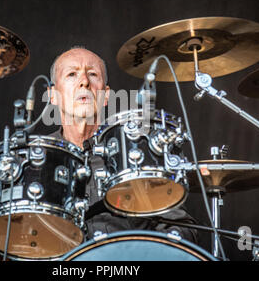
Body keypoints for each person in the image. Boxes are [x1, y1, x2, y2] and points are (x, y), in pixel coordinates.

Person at [47, 46, 198, 243]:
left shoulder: (134, 151)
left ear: (106, 95)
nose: (84, 82)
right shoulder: (38, 157)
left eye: (92, 74)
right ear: (52, 94)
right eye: (72, 74)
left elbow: (182, 231)